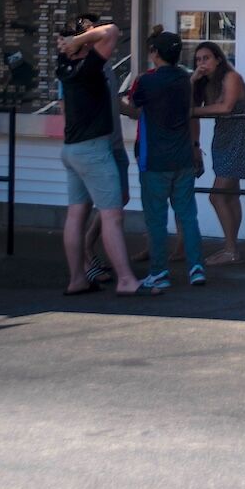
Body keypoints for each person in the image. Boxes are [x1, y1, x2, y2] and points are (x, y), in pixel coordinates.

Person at [55, 20, 150, 296]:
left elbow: (99, 36)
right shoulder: (88, 68)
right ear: (81, 44)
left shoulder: (64, 66)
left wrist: (73, 42)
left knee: (76, 215)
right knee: (112, 217)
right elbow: (111, 31)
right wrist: (79, 40)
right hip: (94, 150)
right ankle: (125, 280)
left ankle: (77, 279)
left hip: (71, 150)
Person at [121, 31, 205, 289]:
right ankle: (196, 268)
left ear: (155, 53)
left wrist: (113, 102)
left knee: (156, 218)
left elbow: (134, 106)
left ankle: (159, 272)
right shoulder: (185, 79)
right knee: (188, 215)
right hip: (182, 157)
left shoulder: (146, 80)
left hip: (154, 158)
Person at [192, 41, 245, 266]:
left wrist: (193, 111)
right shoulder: (206, 82)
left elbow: (226, 107)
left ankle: (230, 249)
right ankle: (232, 247)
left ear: (218, 58)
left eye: (206, 58)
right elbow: (189, 101)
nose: (202, 63)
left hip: (238, 137)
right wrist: (192, 80)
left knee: (216, 195)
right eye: (198, 60)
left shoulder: (231, 77)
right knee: (230, 195)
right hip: (222, 138)